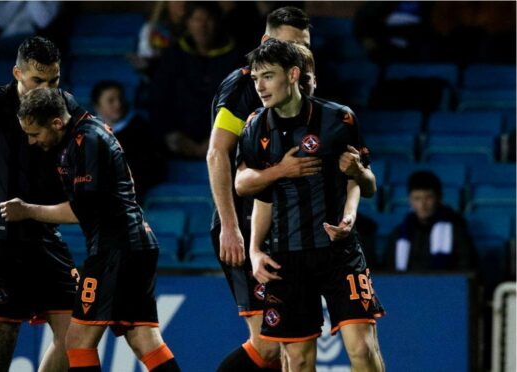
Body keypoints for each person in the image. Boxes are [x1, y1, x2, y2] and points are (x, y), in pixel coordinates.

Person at [207, 7, 377, 371]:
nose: (302, 53)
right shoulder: (242, 89)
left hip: (307, 232)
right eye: (294, 44)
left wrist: (348, 205)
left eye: (305, 46)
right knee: (271, 348)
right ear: (268, 42)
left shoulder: (315, 97)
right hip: (249, 222)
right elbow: (218, 155)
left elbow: (351, 173)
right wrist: (232, 227)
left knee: (282, 351)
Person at [0, 88, 180, 372]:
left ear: (57, 123)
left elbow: (82, 210)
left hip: (116, 249)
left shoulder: (88, 142)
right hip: (134, 246)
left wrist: (28, 210)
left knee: (78, 341)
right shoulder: (78, 132)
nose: (32, 141)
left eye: (35, 134)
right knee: (143, 337)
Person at [0, 36, 79, 372]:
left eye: (53, 80)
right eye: (38, 80)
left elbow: (90, 132)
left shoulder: (64, 105)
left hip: (46, 237)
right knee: (1, 344)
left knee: (76, 334)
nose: (47, 88)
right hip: (2, 240)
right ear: (17, 73)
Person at [150, 2, 244, 159]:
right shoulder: (173, 55)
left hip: (226, 139)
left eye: (208, 19)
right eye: (196, 19)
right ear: (187, 23)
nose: (202, 26)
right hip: (179, 139)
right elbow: (159, 98)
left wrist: (221, 136)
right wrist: (172, 134)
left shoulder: (237, 57)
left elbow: (243, 102)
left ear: (217, 22)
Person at [384, 170, 477, 272]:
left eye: (428, 198)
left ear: (439, 198)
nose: (422, 205)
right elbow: (390, 270)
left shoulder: (456, 231)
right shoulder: (398, 234)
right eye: (417, 198)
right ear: (410, 200)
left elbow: (466, 267)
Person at [91, 80, 166, 202]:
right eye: (111, 101)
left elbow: (151, 168)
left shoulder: (141, 129)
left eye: (120, 99)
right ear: (97, 105)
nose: (118, 104)